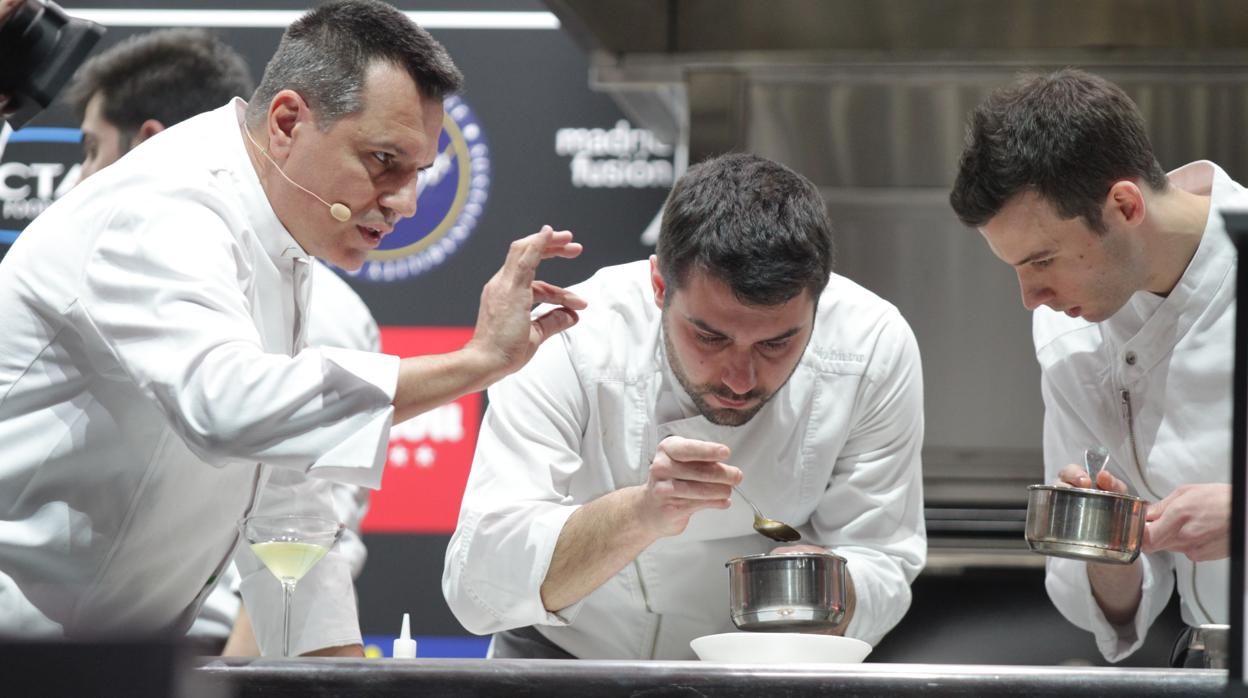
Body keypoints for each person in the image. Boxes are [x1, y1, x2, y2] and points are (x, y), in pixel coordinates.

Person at [0, 0, 585, 658]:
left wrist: (332, 675)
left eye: (418, 173)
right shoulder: (166, 205)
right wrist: (476, 363)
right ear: (286, 122)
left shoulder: (278, 235)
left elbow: (288, 510)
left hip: (104, 659)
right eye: (382, 159)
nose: (406, 203)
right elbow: (228, 406)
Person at [442, 152, 926, 659]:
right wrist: (643, 512)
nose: (740, 379)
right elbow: (477, 585)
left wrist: (826, 588)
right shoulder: (570, 340)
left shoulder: (871, 347)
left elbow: (881, 557)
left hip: (756, 665)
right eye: (709, 337)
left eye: (775, 344)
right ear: (658, 287)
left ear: (817, 306)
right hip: (562, 655)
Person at [62, 27, 378, 655]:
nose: (80, 175)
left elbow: (300, 527)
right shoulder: (118, 240)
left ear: (148, 141)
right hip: (92, 639)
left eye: (92, 149)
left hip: (189, 648)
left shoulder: (315, 299)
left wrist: (237, 680)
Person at [949, 68, 1242, 663]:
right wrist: (1108, 544)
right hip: (1213, 662)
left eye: (1043, 260)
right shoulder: (1069, 327)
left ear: (1125, 205)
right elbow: (1108, 601)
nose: (1031, 297)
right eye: (1017, 268)